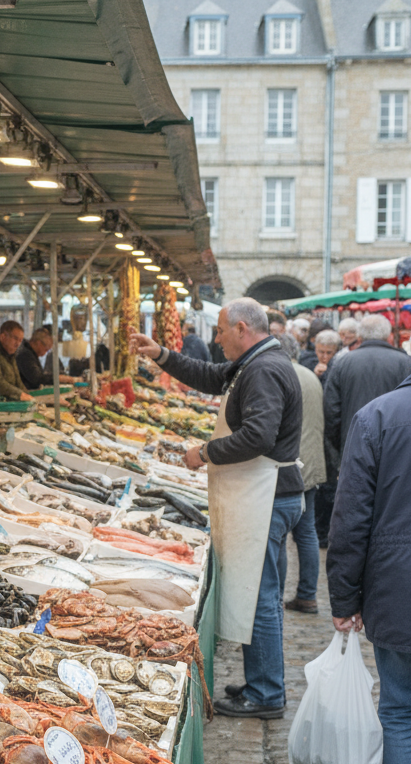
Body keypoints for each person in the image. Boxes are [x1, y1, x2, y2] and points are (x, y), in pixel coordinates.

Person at [129, 297, 303, 719]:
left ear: (243, 328)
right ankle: (264, 680)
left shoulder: (263, 369)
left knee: (258, 595)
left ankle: (266, 693)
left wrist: (205, 451)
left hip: (267, 497)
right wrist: (162, 354)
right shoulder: (255, 361)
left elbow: (259, 436)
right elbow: (209, 376)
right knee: (260, 593)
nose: (217, 338)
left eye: (222, 331)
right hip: (266, 495)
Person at [326, 320, 411, 764]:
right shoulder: (379, 414)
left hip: (399, 588)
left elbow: (351, 518)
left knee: (405, 713)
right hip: (398, 583)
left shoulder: (380, 416)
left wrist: (344, 596)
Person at [323, 313, 411, 468]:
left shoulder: (342, 363)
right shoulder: (405, 363)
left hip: (354, 448)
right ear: (388, 335)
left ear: (359, 335)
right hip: (396, 450)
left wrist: (341, 445)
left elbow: (331, 412)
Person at [278, 340, 326, 613]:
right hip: (311, 463)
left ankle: (277, 595)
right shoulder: (310, 375)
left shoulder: (279, 373)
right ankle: (307, 594)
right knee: (306, 532)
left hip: (288, 464)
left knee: (282, 534)